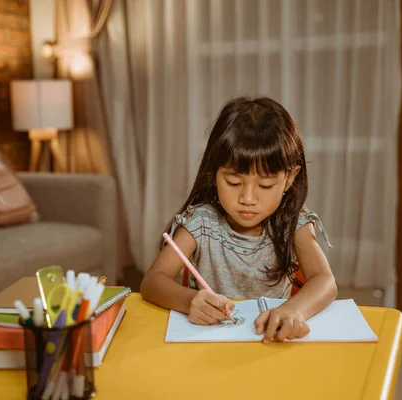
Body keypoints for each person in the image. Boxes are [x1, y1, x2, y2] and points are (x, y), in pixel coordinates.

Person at [140, 96, 338, 344]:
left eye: (265, 185)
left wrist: (294, 310)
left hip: (271, 344)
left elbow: (325, 281)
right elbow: (152, 281)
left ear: (290, 178)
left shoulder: (294, 223)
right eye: (234, 183)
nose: (247, 198)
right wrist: (189, 300)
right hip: (208, 347)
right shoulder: (201, 223)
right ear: (213, 174)